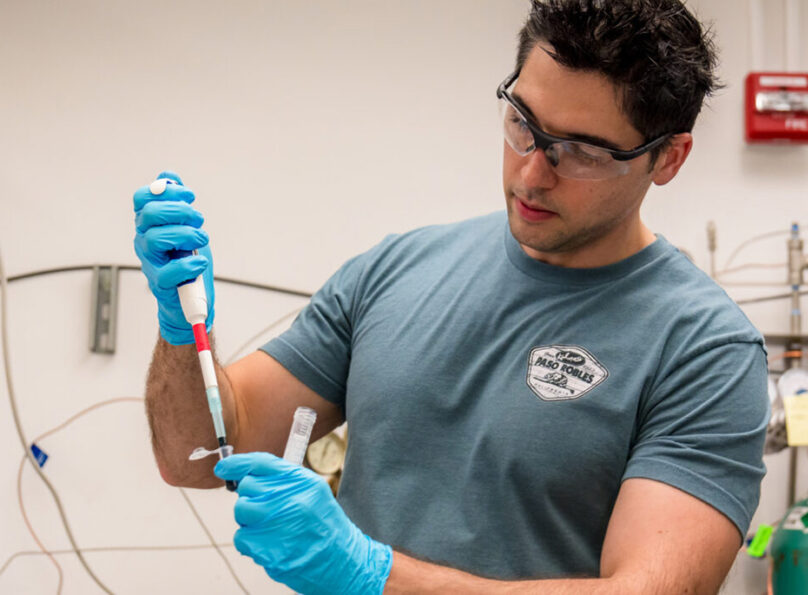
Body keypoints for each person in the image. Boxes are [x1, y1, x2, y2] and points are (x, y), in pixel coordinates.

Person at [133, 0, 769, 593]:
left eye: (580, 151)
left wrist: (373, 576)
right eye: (522, 123)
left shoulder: (705, 349)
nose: (532, 171)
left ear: (669, 158)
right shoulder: (396, 269)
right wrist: (181, 333)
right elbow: (196, 457)